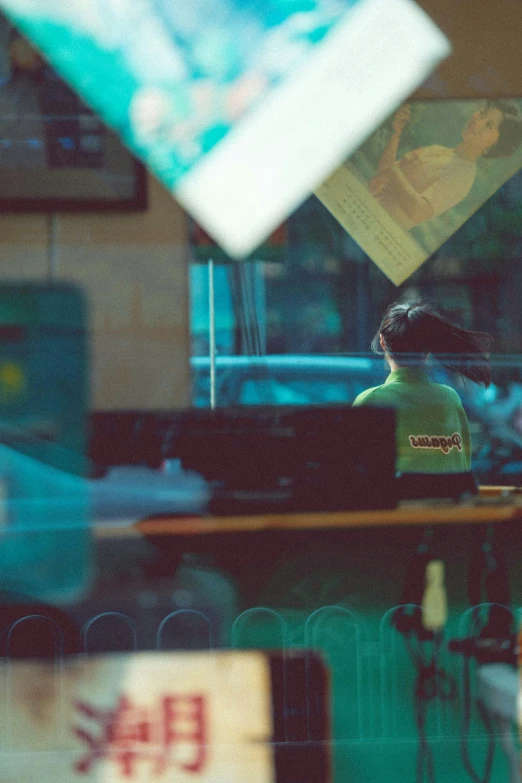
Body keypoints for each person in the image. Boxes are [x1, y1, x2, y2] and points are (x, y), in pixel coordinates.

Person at [352, 301, 492, 475]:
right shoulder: (449, 398)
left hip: (397, 502)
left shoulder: (371, 401)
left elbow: (356, 472)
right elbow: (461, 468)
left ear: (382, 341)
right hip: (449, 501)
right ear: (427, 349)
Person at [368, 100, 522, 231]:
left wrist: (393, 171)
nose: (477, 121)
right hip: (366, 210)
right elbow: (384, 172)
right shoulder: (440, 150)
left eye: (489, 125)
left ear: (495, 146)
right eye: (482, 113)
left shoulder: (462, 175)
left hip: (379, 231)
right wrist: (396, 132)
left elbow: (418, 211)